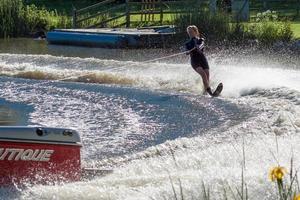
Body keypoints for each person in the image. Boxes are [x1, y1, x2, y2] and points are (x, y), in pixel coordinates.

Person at [185, 25, 213, 96]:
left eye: (191, 32)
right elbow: (186, 51)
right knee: (203, 74)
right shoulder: (187, 43)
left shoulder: (201, 40)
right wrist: (188, 52)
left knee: (207, 75)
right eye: (189, 32)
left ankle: (205, 91)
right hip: (195, 61)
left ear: (195, 32)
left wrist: (198, 47)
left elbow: (202, 45)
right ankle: (209, 91)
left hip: (202, 59)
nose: (190, 33)